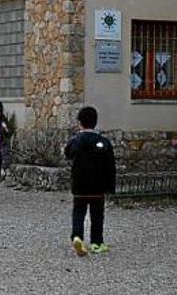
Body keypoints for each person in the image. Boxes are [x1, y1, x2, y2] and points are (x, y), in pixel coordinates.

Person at [64, 106, 116, 257]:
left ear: (80, 123)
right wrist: (110, 187)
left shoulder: (76, 141)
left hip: (80, 186)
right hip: (98, 187)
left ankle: (77, 237)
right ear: (95, 122)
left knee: (78, 213)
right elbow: (110, 166)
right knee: (97, 215)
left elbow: (67, 154)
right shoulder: (103, 142)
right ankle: (97, 243)